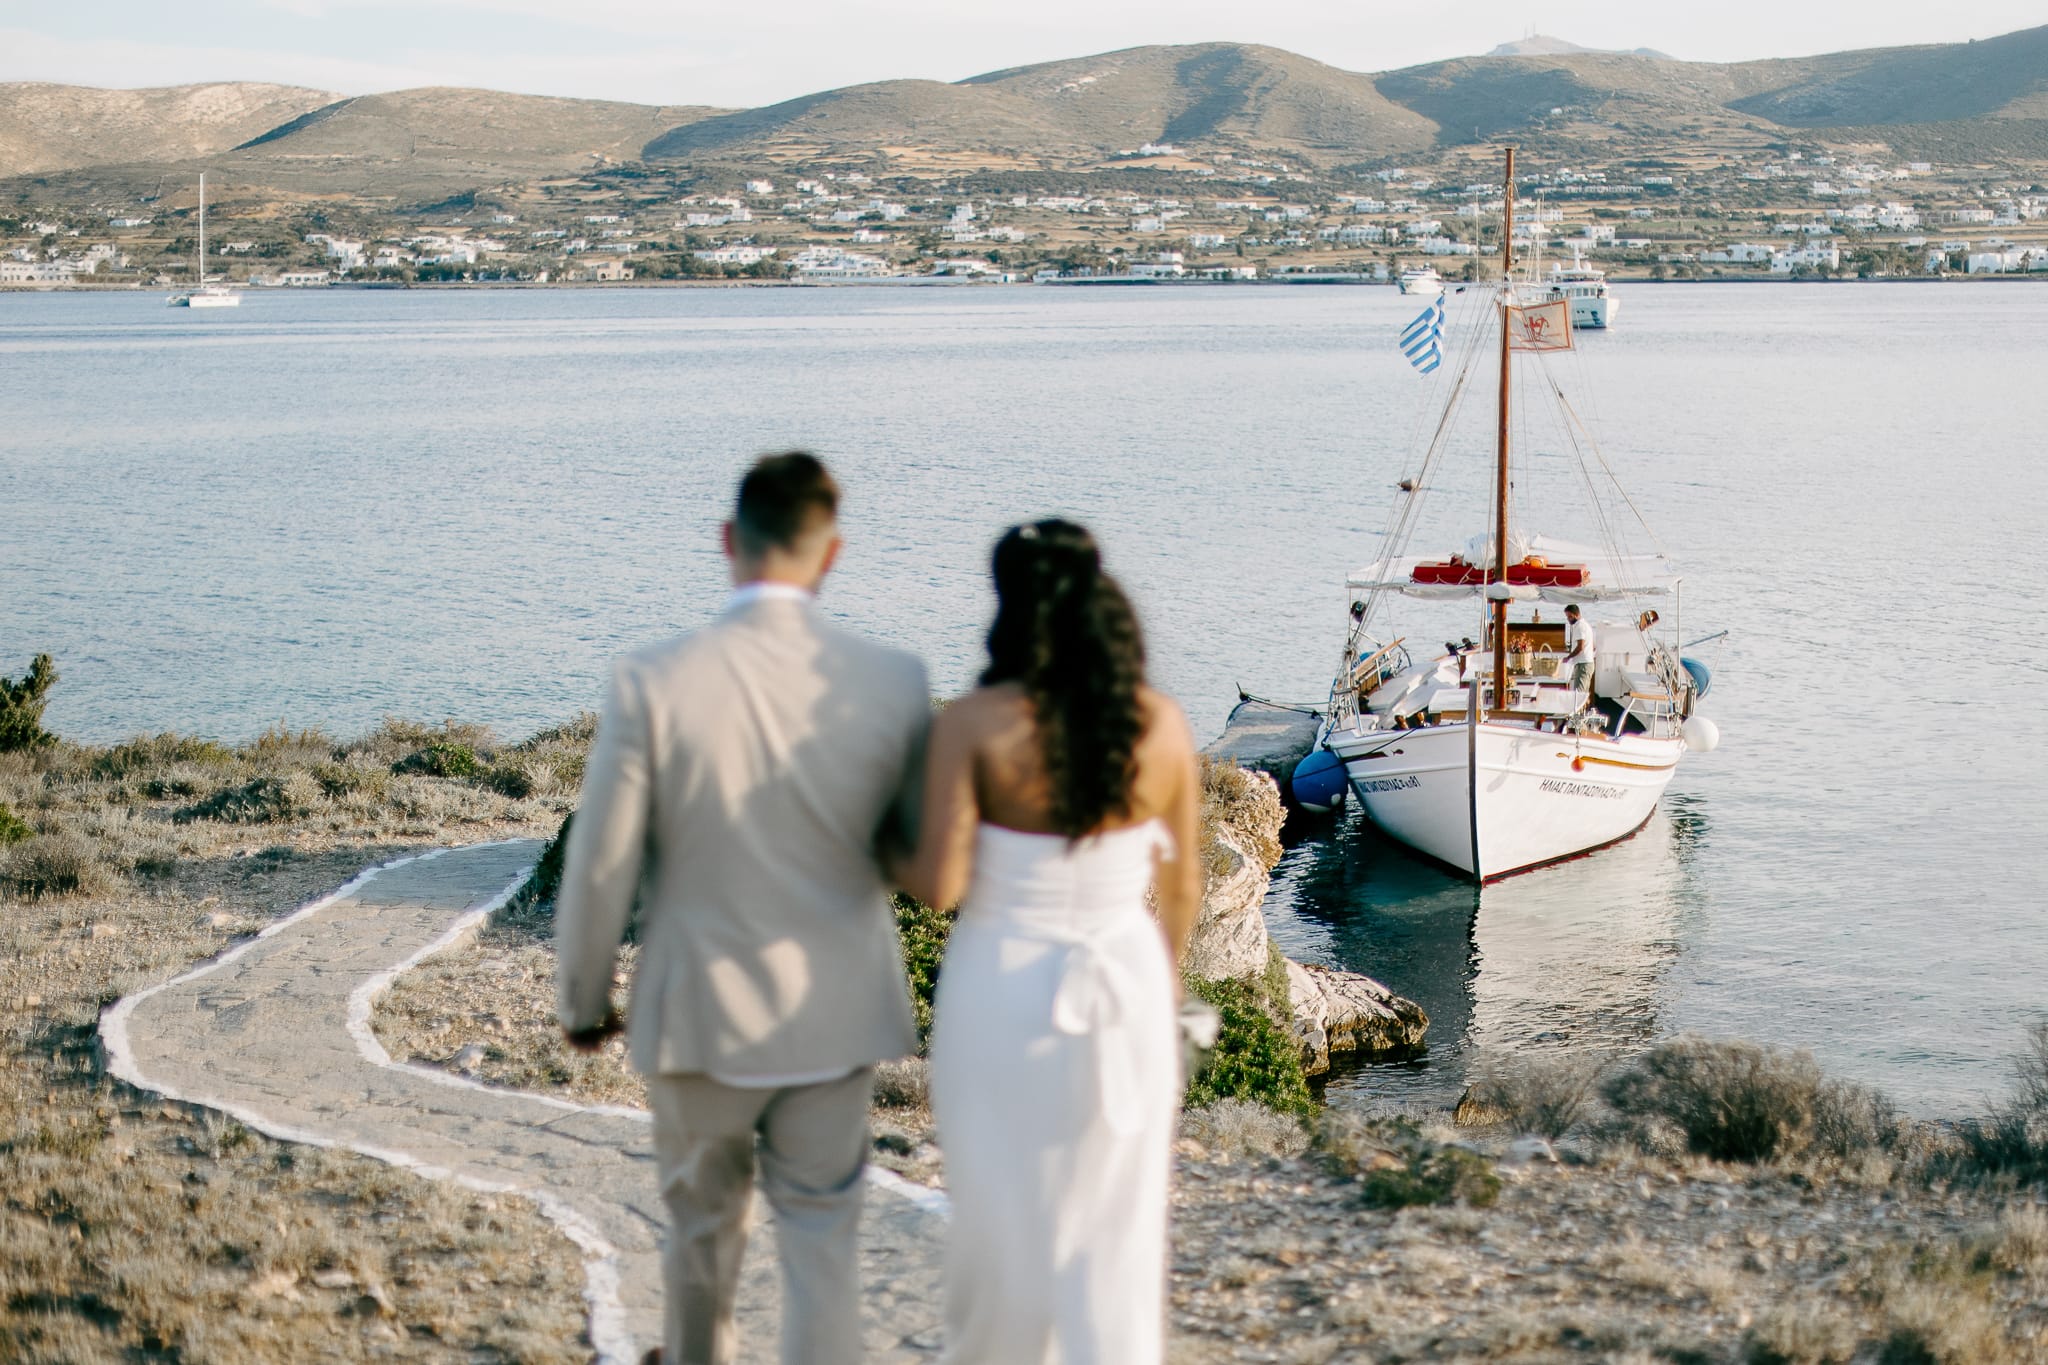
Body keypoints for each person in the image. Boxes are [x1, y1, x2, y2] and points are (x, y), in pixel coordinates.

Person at [554, 451, 931, 1365]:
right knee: (821, 1248)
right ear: (830, 555)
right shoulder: (892, 679)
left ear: (729, 541)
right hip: (833, 1011)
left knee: (699, 1241)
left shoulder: (653, 680)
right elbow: (912, 855)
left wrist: (584, 998)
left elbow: (600, 861)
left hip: (698, 1011)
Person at [892, 519, 1201, 1365]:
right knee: (1121, 1221)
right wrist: (1157, 996)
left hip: (1003, 985)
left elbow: (940, 882)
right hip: (1126, 983)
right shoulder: (1160, 723)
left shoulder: (975, 723)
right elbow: (1182, 886)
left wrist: (873, 838)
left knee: (1001, 1209)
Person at [1563, 603, 1597, 697]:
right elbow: (1593, 646)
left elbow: (1580, 647)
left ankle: (1578, 712)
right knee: (1583, 694)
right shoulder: (1586, 625)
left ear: (1577, 615)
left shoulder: (1579, 626)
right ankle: (1582, 711)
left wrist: (1568, 657)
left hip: (1583, 665)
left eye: (1570, 616)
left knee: (1579, 695)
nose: (1568, 619)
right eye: (1567, 616)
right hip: (1587, 663)